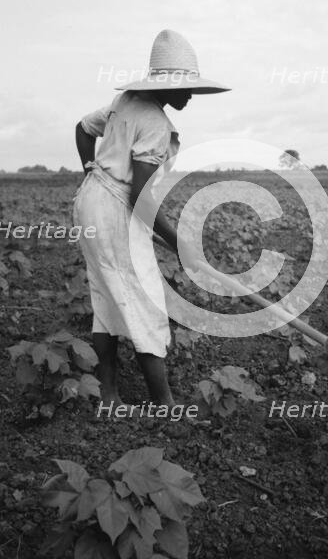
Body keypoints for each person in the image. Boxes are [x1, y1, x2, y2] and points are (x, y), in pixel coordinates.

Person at [73, 29, 230, 407]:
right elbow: (141, 198)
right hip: (112, 211)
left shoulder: (123, 102)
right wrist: (182, 246)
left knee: (106, 298)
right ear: (167, 85)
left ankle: (109, 395)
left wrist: (90, 174)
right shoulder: (157, 124)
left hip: (90, 202)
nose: (191, 94)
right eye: (186, 87)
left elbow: (82, 129)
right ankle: (165, 403)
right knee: (147, 302)